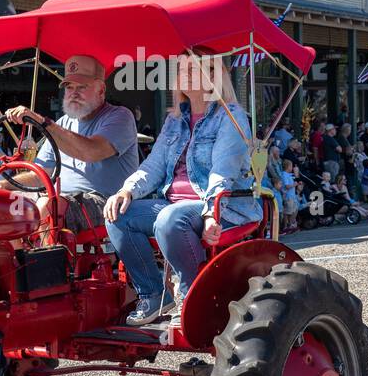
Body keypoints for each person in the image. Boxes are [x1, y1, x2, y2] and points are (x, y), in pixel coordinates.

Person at [104, 54, 260, 325]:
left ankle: (191, 297)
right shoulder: (175, 120)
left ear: (214, 75)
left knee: (169, 219)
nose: (185, 75)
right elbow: (153, 165)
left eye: (194, 69)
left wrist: (212, 211)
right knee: (118, 214)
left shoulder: (231, 116)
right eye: (183, 70)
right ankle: (155, 294)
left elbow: (224, 169)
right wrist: (126, 190)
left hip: (221, 203)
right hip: (174, 205)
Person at [0, 54, 139, 238]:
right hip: (60, 197)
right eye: (70, 87)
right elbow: (40, 175)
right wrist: (2, 185)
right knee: (4, 204)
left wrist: (42, 121)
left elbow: (91, 151)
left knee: (48, 207)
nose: (74, 93)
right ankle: (13, 262)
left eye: (82, 86)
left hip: (108, 202)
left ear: (101, 90)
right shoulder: (62, 123)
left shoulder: (120, 117)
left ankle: (45, 265)